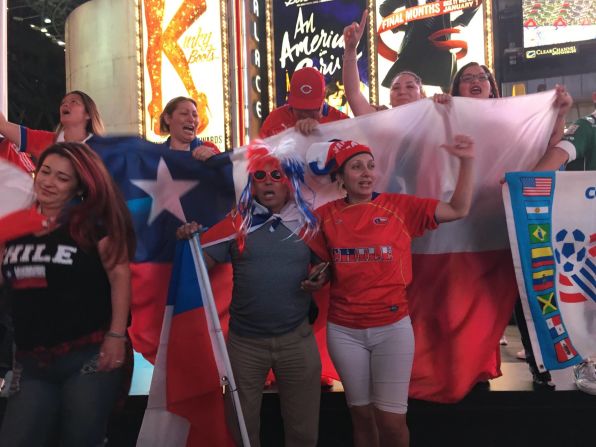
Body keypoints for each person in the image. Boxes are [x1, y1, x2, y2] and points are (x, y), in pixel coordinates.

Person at [310, 137, 475, 447]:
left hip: (391, 329)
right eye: (356, 167)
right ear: (340, 178)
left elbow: (458, 208)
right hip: (344, 331)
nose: (366, 173)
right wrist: (316, 278)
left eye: (371, 166)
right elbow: (323, 267)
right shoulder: (324, 216)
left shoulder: (400, 207)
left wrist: (467, 161)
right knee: (361, 417)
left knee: (392, 422)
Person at [176, 141, 327, 447]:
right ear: (252, 186)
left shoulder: (309, 224)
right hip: (245, 345)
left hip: (297, 341)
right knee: (242, 433)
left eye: (276, 175)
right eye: (260, 176)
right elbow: (197, 266)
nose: (268, 181)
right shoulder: (236, 224)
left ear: (289, 183)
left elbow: (327, 265)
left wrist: (320, 277)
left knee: (304, 433)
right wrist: (187, 240)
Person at [0, 142, 135, 446]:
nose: (49, 182)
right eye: (45, 172)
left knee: (81, 439)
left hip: (87, 356)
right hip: (31, 360)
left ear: (78, 187)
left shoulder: (93, 224)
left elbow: (119, 274)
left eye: (62, 178)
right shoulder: (14, 224)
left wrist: (116, 337)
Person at [342, 10, 426, 116]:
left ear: (422, 95)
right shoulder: (380, 120)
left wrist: (446, 103)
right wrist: (350, 49)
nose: (402, 92)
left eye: (410, 87)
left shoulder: (435, 117)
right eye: (395, 88)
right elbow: (353, 94)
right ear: (390, 99)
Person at [0, 90, 105, 163]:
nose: (65, 104)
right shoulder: (47, 140)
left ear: (88, 114)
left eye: (74, 101)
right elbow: (3, 126)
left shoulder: (101, 150)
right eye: (63, 103)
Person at [259, 67, 349, 138]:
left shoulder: (341, 123)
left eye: (312, 109)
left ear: (323, 99)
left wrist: (321, 130)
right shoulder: (274, 120)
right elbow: (259, 156)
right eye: (299, 108)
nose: (305, 114)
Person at [158, 96, 220, 161]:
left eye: (195, 115)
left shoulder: (210, 148)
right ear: (167, 118)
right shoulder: (156, 155)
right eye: (184, 114)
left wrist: (214, 160)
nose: (192, 119)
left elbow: (228, 169)